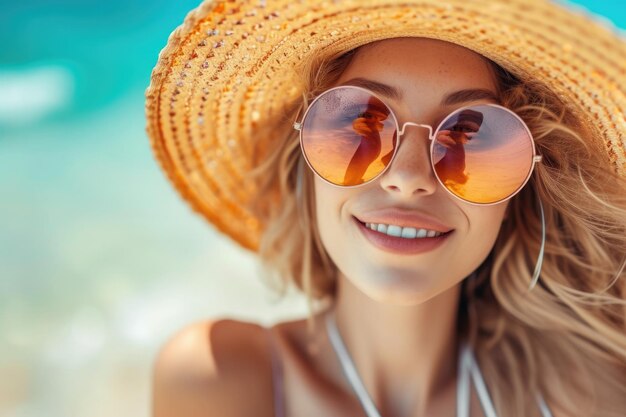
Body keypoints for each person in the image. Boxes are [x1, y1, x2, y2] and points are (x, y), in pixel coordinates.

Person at [144, 1, 626, 416]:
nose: (407, 177)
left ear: (522, 189)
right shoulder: (218, 378)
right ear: (304, 157)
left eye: (472, 134)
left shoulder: (588, 397)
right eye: (361, 123)